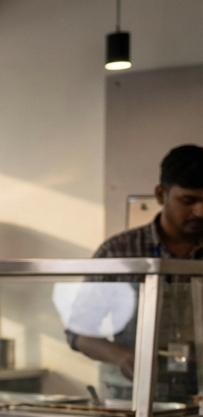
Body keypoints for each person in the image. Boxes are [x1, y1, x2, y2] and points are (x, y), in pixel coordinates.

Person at [65, 144, 203, 400]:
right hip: (130, 397)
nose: (200, 211)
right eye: (188, 201)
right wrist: (122, 355)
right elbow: (79, 333)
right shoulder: (119, 252)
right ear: (161, 194)